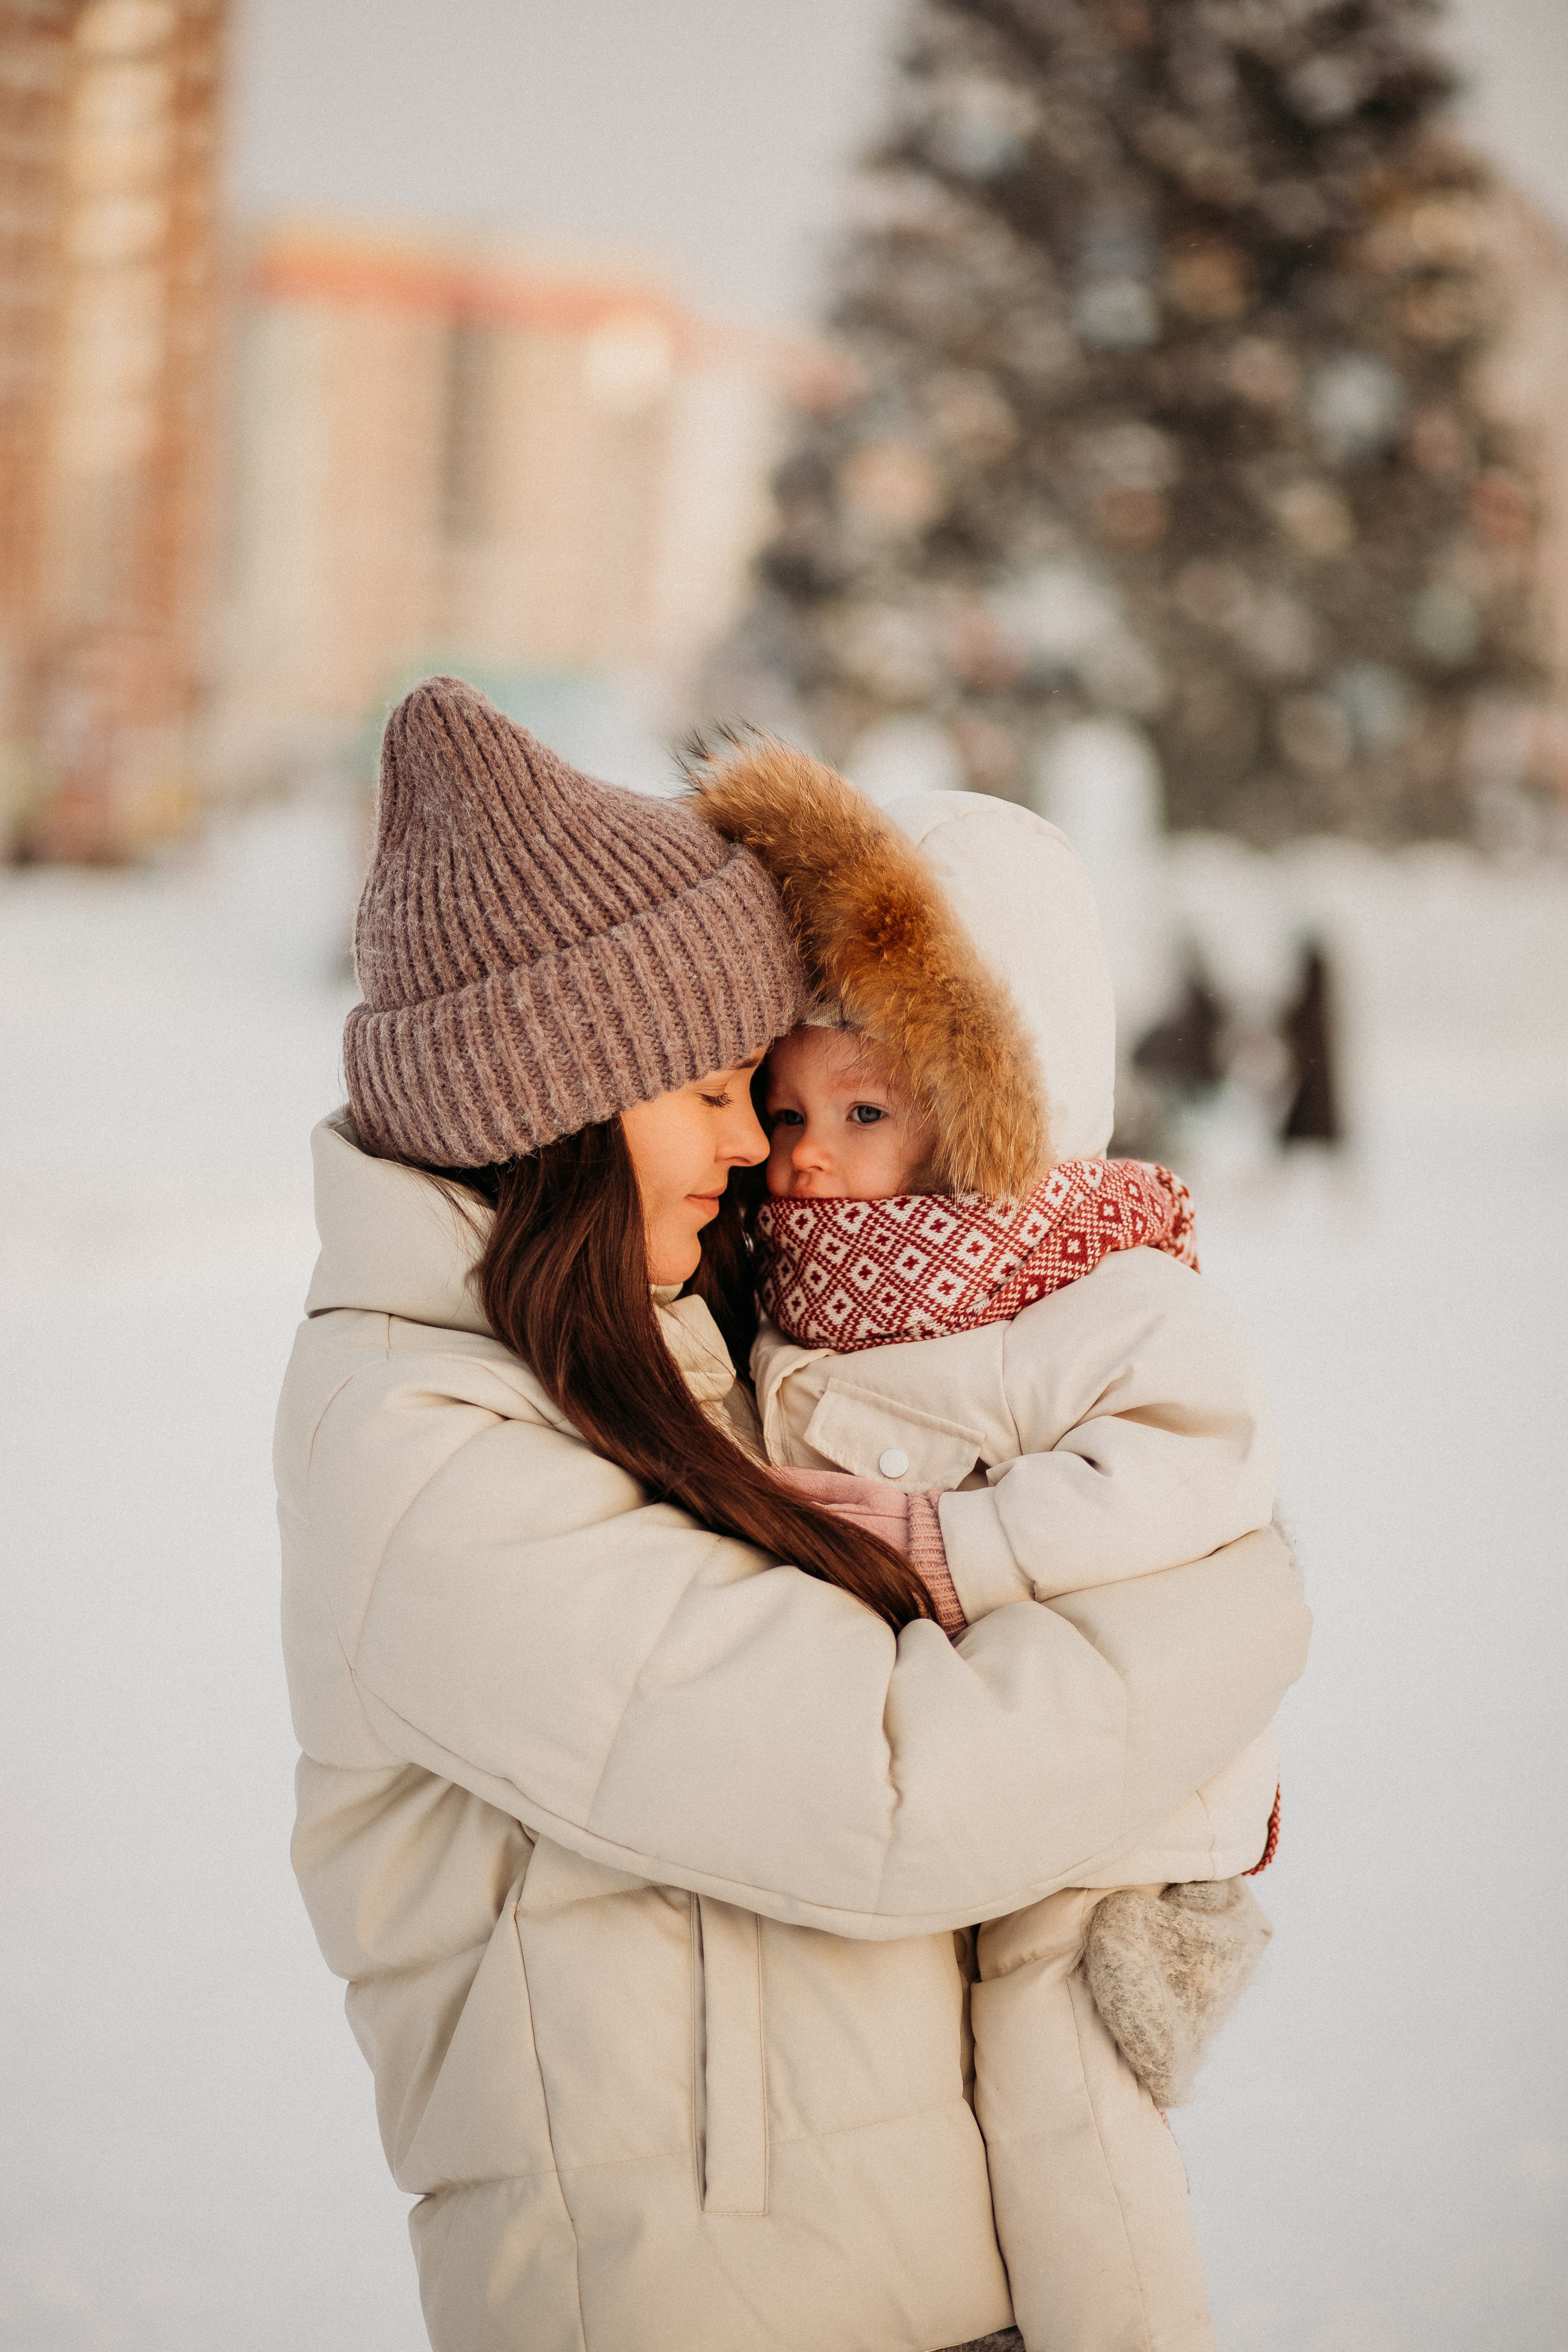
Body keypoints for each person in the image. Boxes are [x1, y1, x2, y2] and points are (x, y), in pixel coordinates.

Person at [276, 676, 1310, 2352]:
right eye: (706, 1095)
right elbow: (892, 1795)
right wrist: (1248, 1606)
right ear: (555, 1104)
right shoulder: (421, 1457)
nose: (752, 1154)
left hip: (911, 2275)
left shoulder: (682, 1354)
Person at [685, 732, 1285, 2350]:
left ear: (978, 1109)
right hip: (943, 1792)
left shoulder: (1104, 1288)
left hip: (1106, 1809)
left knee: (1062, 2109)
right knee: (922, 2127)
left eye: (866, 1108)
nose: (806, 1156)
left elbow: (1189, 1472)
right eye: (785, 1107)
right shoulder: (801, 1300)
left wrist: (972, 1552)